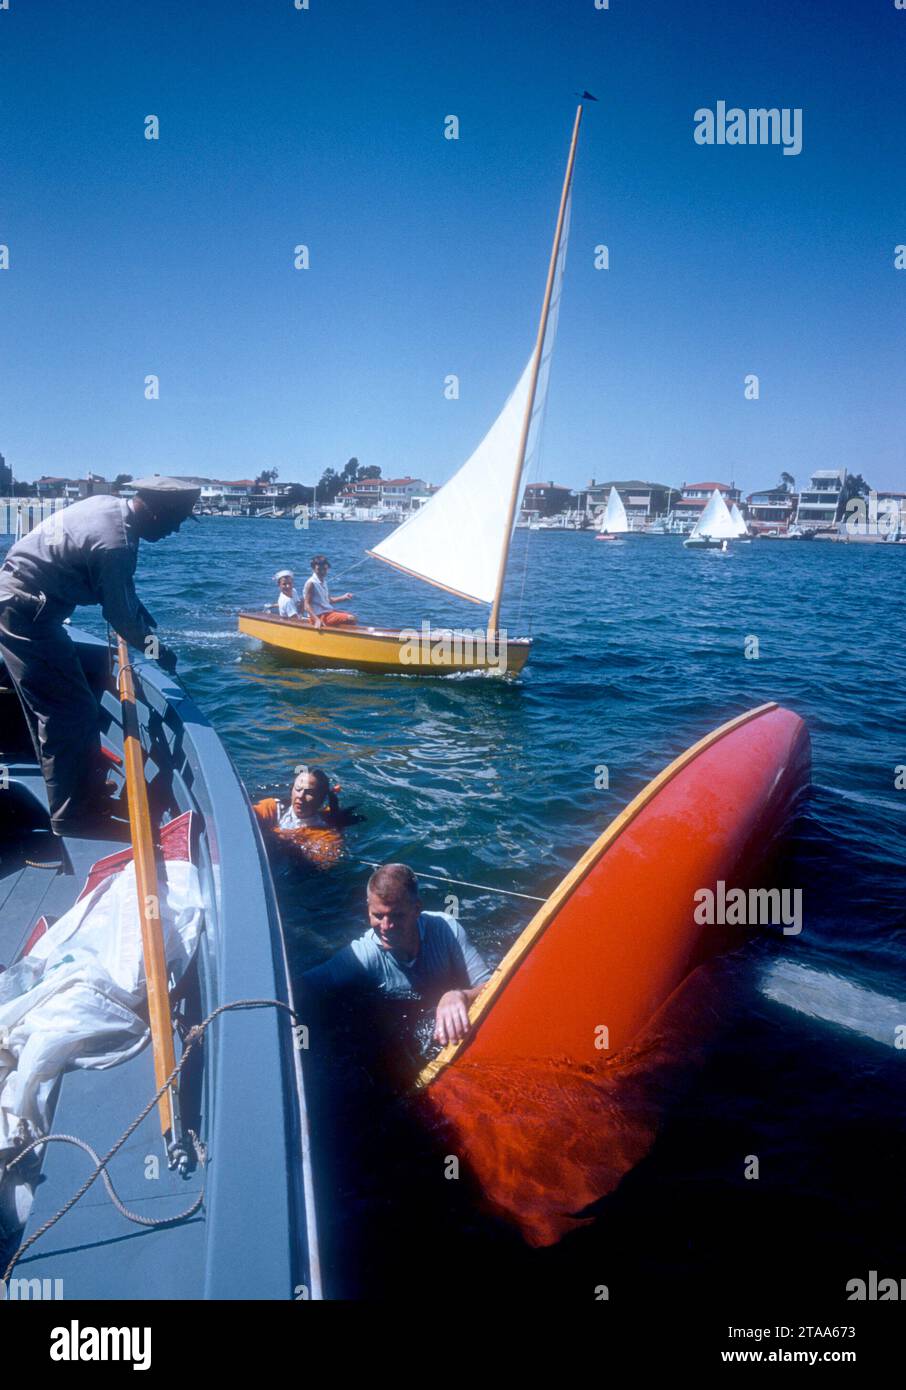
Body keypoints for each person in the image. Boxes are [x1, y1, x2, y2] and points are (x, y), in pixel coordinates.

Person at [0, 476, 199, 837]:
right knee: (70, 712)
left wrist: (139, 613)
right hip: (27, 614)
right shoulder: (117, 544)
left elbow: (121, 593)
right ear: (157, 512)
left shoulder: (108, 508)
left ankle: (83, 791)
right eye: (177, 520)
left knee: (65, 706)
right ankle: (72, 816)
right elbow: (121, 618)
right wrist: (158, 651)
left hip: (22, 603)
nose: (177, 530)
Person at [304, 862, 492, 1045]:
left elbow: (490, 985)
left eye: (397, 916)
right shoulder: (363, 955)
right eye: (378, 916)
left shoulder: (447, 929)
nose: (386, 927)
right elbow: (304, 986)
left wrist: (460, 995)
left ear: (417, 909)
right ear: (368, 909)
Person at [253, 765, 341, 832]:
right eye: (298, 789)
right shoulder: (272, 808)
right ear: (291, 790)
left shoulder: (324, 834)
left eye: (309, 792)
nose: (300, 796)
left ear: (321, 798)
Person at [302, 554, 356, 628]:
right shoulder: (311, 583)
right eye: (319, 569)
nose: (322, 572)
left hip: (327, 613)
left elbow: (329, 600)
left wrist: (343, 597)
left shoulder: (323, 581)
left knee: (353, 616)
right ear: (313, 569)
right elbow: (306, 605)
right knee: (351, 618)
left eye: (324, 569)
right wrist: (316, 620)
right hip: (319, 616)